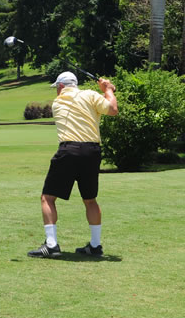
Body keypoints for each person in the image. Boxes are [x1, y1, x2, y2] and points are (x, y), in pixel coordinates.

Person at [28, 71, 119, 257]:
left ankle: (51, 245)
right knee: (90, 199)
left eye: (57, 88)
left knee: (47, 198)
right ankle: (95, 246)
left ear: (61, 87)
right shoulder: (91, 95)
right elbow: (112, 109)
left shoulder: (58, 102)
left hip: (69, 151)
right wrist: (108, 90)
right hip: (92, 152)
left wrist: (106, 90)